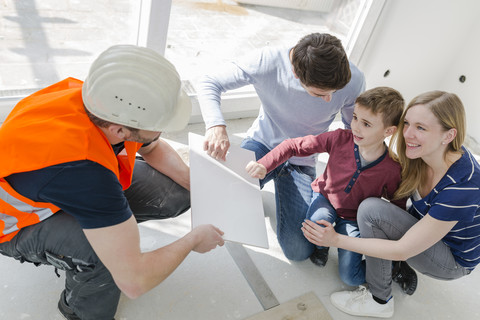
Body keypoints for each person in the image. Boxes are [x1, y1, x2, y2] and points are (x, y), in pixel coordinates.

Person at [0, 45, 225, 320]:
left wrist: (196, 185)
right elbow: (135, 281)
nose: (162, 128)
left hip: (59, 184)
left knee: (176, 193)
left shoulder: (102, 101)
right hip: (17, 223)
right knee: (104, 260)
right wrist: (193, 240)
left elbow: (151, 147)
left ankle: (106, 229)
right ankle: (78, 310)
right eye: (159, 122)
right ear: (120, 130)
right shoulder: (85, 171)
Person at [302, 91, 480, 318]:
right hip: (424, 229)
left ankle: (380, 300)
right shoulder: (420, 156)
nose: (408, 134)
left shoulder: (463, 186)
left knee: (371, 211)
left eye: (421, 128)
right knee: (372, 211)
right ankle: (394, 268)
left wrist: (335, 240)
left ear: (448, 135)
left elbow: (402, 248)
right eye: (407, 123)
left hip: (451, 259)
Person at [197, 33, 365, 261]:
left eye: (333, 93)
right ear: (295, 73)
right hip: (263, 145)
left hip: (301, 159)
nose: (329, 100)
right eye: (319, 93)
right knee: (213, 203)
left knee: (299, 251)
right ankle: (261, 184)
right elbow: (209, 81)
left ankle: (281, 189)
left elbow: (351, 132)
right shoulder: (267, 61)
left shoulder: (352, 80)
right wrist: (215, 125)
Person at [246, 87, 406, 287]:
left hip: (353, 220)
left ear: (389, 131)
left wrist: (393, 249)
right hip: (325, 200)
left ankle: (394, 269)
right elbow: (293, 146)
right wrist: (264, 164)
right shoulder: (340, 138)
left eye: (366, 124)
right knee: (315, 222)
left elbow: (396, 206)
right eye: (355, 117)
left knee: (350, 277)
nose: (356, 127)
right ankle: (320, 246)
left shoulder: (392, 169)